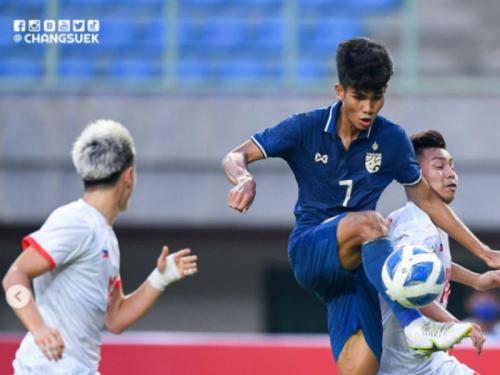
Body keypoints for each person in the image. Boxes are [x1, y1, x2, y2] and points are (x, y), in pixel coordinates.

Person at [222, 37, 500, 374]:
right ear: (340, 91)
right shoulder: (305, 127)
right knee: (371, 222)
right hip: (313, 250)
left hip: (355, 277)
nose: (368, 108)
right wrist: (242, 179)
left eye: (377, 97)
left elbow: (425, 198)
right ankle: (415, 326)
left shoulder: (391, 140)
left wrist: (484, 252)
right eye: (360, 97)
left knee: (363, 369)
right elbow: (235, 155)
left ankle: (412, 330)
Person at [2, 120, 198, 374]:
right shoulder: (76, 222)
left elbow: (114, 319)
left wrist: (160, 278)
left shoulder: (104, 235)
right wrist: (38, 328)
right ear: (129, 175)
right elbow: (13, 278)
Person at [379, 130, 500, 374]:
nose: (450, 174)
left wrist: (476, 280)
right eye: (439, 166)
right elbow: (409, 286)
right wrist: (455, 325)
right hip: (406, 366)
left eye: (452, 166)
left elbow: (436, 266)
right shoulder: (418, 229)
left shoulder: (426, 221)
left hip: (427, 360)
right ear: (416, 174)